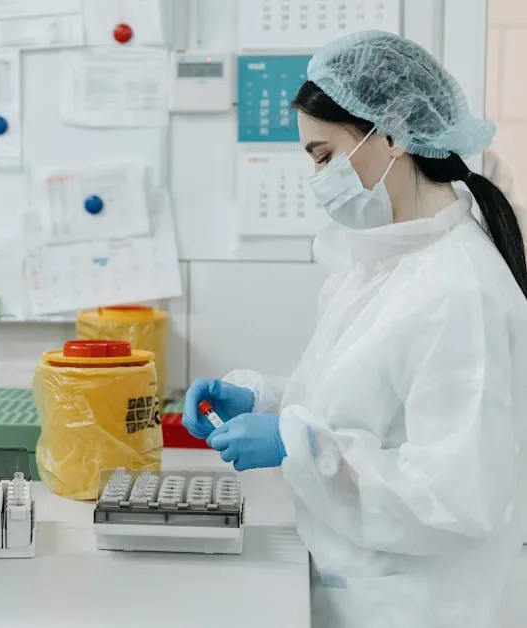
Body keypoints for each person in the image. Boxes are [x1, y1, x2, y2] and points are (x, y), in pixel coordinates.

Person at [183, 31, 527, 628]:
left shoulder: (461, 293)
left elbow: (454, 497)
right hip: (362, 590)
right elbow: (372, 404)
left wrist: (299, 445)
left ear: (392, 133)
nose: (318, 178)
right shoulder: (384, 261)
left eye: (323, 155)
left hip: (422, 607)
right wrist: (267, 398)